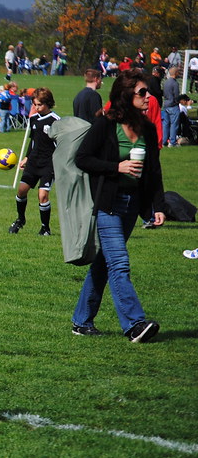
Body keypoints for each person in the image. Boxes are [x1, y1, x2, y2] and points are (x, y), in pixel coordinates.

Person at [71, 68, 165, 342]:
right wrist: (117, 166)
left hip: (132, 205)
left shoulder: (147, 128)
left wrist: (157, 206)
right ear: (126, 95)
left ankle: (81, 320)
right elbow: (83, 158)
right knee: (120, 264)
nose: (149, 96)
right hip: (108, 204)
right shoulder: (105, 123)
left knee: (105, 263)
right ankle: (135, 324)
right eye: (142, 92)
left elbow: (154, 171)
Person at [10, 87, 59, 235]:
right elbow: (33, 142)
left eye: (40, 104)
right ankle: (20, 219)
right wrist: (27, 157)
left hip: (48, 164)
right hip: (34, 162)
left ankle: (45, 228)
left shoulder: (56, 121)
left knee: (42, 195)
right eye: (35, 104)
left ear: (48, 103)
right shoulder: (33, 119)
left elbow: (61, 145)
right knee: (21, 191)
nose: (37, 108)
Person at [162, 67, 181, 147]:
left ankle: (164, 141)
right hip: (173, 105)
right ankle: (172, 142)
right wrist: (177, 101)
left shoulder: (166, 82)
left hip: (166, 104)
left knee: (165, 124)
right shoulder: (175, 83)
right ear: (176, 73)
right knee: (174, 124)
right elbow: (176, 95)